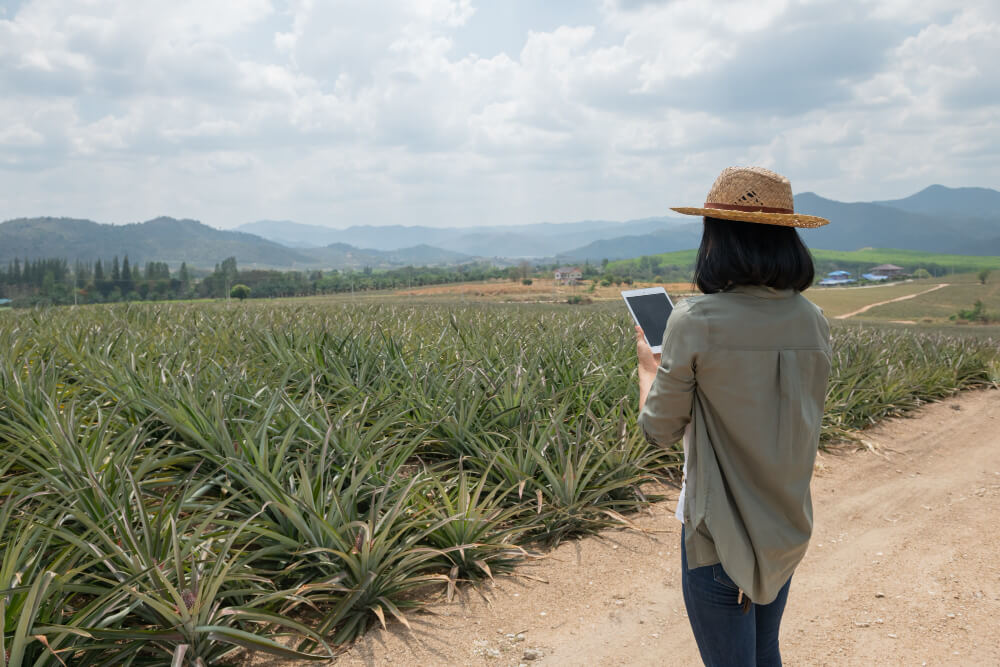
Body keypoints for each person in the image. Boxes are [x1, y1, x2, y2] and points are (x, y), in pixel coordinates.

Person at [635, 166, 833, 666]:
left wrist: (647, 370)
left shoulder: (696, 320)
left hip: (719, 539)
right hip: (785, 527)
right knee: (766, 653)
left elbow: (658, 428)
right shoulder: (812, 321)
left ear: (718, 239)